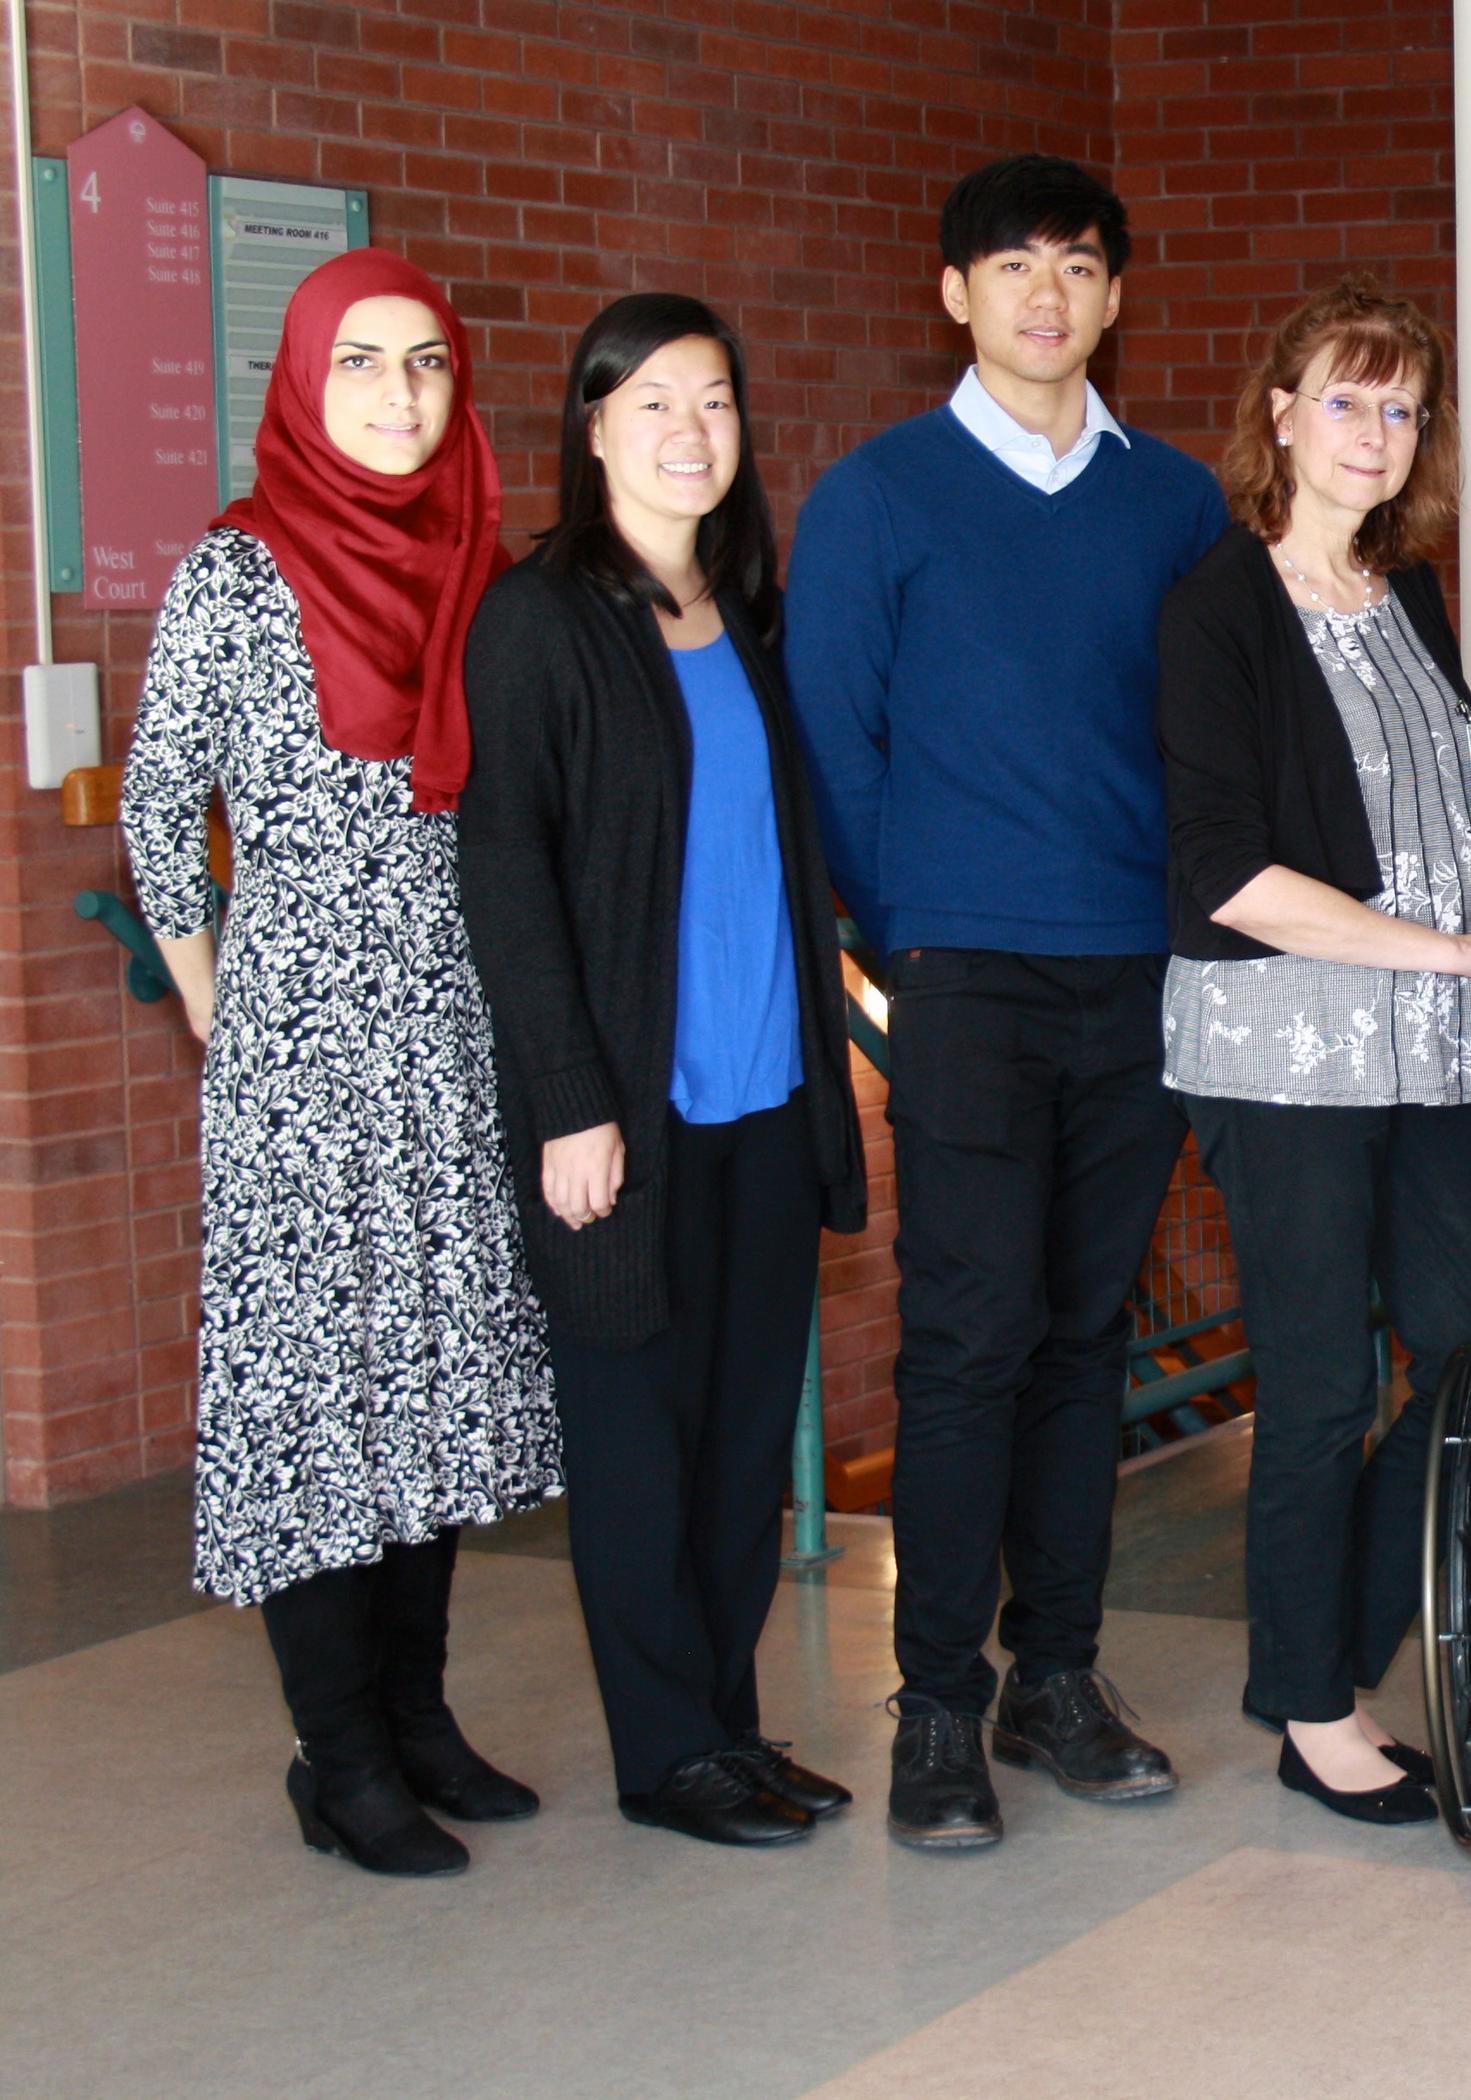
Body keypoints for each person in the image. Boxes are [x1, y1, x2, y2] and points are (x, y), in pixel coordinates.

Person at [786, 154, 1228, 1850]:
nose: (1049, 295)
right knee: (969, 1337)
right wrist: (921, 937)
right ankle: (938, 1712)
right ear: (955, 293)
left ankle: (1056, 1675)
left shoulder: (1175, 503)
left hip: (1137, 974)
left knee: (1081, 1330)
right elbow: (836, 744)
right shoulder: (879, 497)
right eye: (1014, 266)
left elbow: (1203, 743)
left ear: (1115, 296)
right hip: (964, 974)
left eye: (1081, 266)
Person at [121, 248, 558, 1877]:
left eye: (426, 363)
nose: (396, 393)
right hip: (302, 1056)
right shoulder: (235, 573)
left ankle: (424, 1721)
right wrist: (227, 1025)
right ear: (302, 384)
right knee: (320, 1408)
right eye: (360, 361)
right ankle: (341, 1755)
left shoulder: (483, 566)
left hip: (458, 1038)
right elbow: (164, 816)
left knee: (437, 1385)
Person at [460, 294, 869, 1847]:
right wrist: (568, 1098)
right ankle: (663, 1751)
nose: (689, 433)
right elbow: (504, 869)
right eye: (653, 404)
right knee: (637, 1436)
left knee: (743, 1422)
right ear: (593, 426)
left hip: (764, 1092)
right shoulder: (542, 616)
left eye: (713, 403)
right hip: (623, 1114)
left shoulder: (741, 617)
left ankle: (729, 1723)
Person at [1153, 282, 1471, 1822]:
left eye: (1403, 407)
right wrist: (1446, 946)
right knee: (1316, 1389)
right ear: (1282, 413)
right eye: (1347, 398)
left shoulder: (1414, 594)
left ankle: (1339, 1644)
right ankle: (1312, 1705)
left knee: (1467, 1342)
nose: (1376, 432)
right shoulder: (1216, 608)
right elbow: (1226, 874)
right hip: (1279, 1052)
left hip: (1431, 1053)